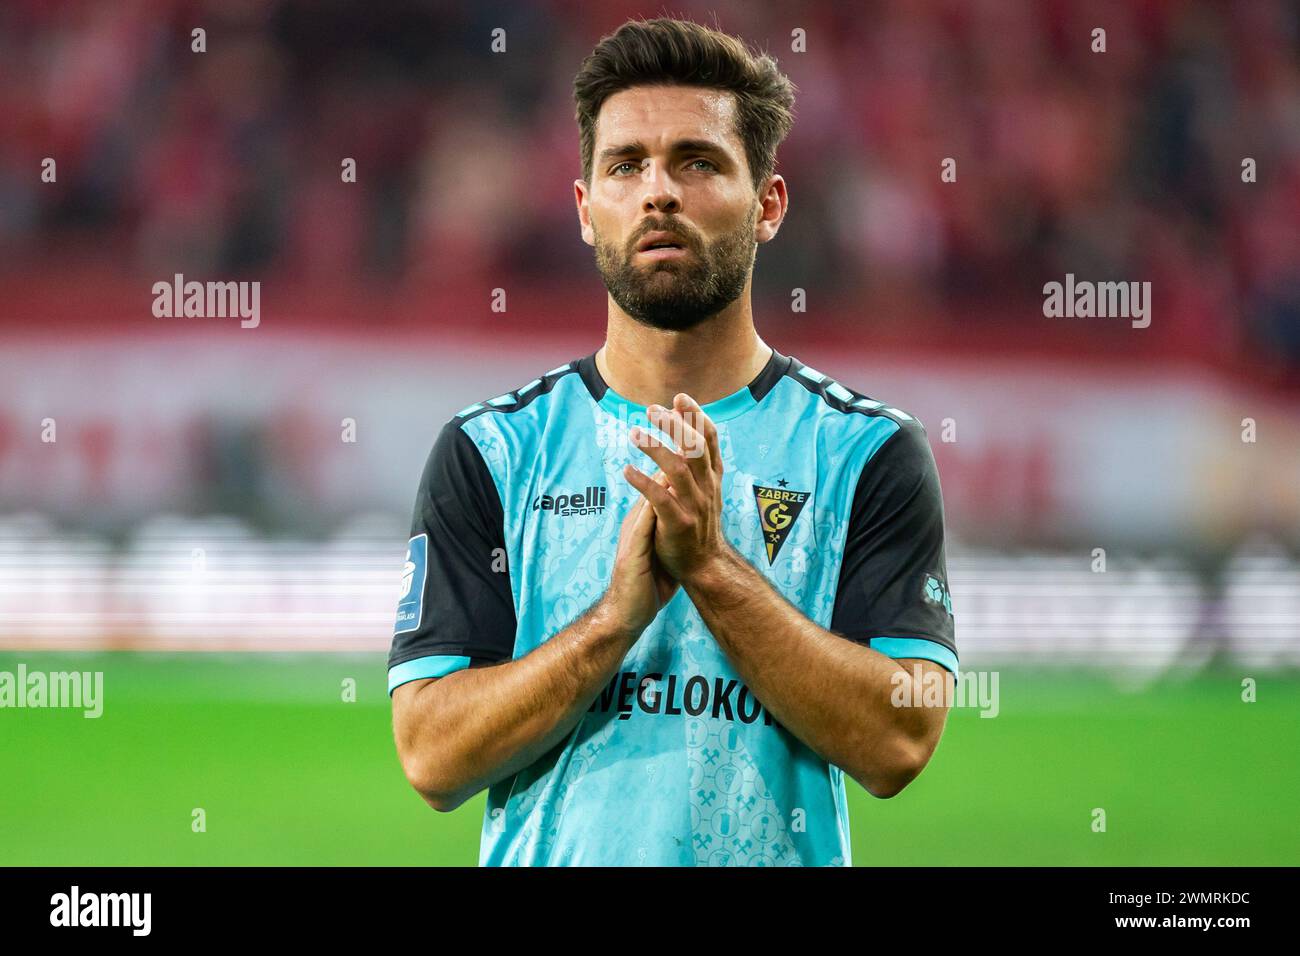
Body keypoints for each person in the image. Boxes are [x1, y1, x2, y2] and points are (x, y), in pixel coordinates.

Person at [389, 17, 957, 866]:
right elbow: (430, 755)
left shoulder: (866, 451)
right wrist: (616, 618)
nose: (658, 191)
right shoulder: (492, 452)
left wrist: (712, 570)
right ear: (586, 210)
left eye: (698, 161)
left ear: (768, 203)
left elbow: (900, 739)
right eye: (625, 165)